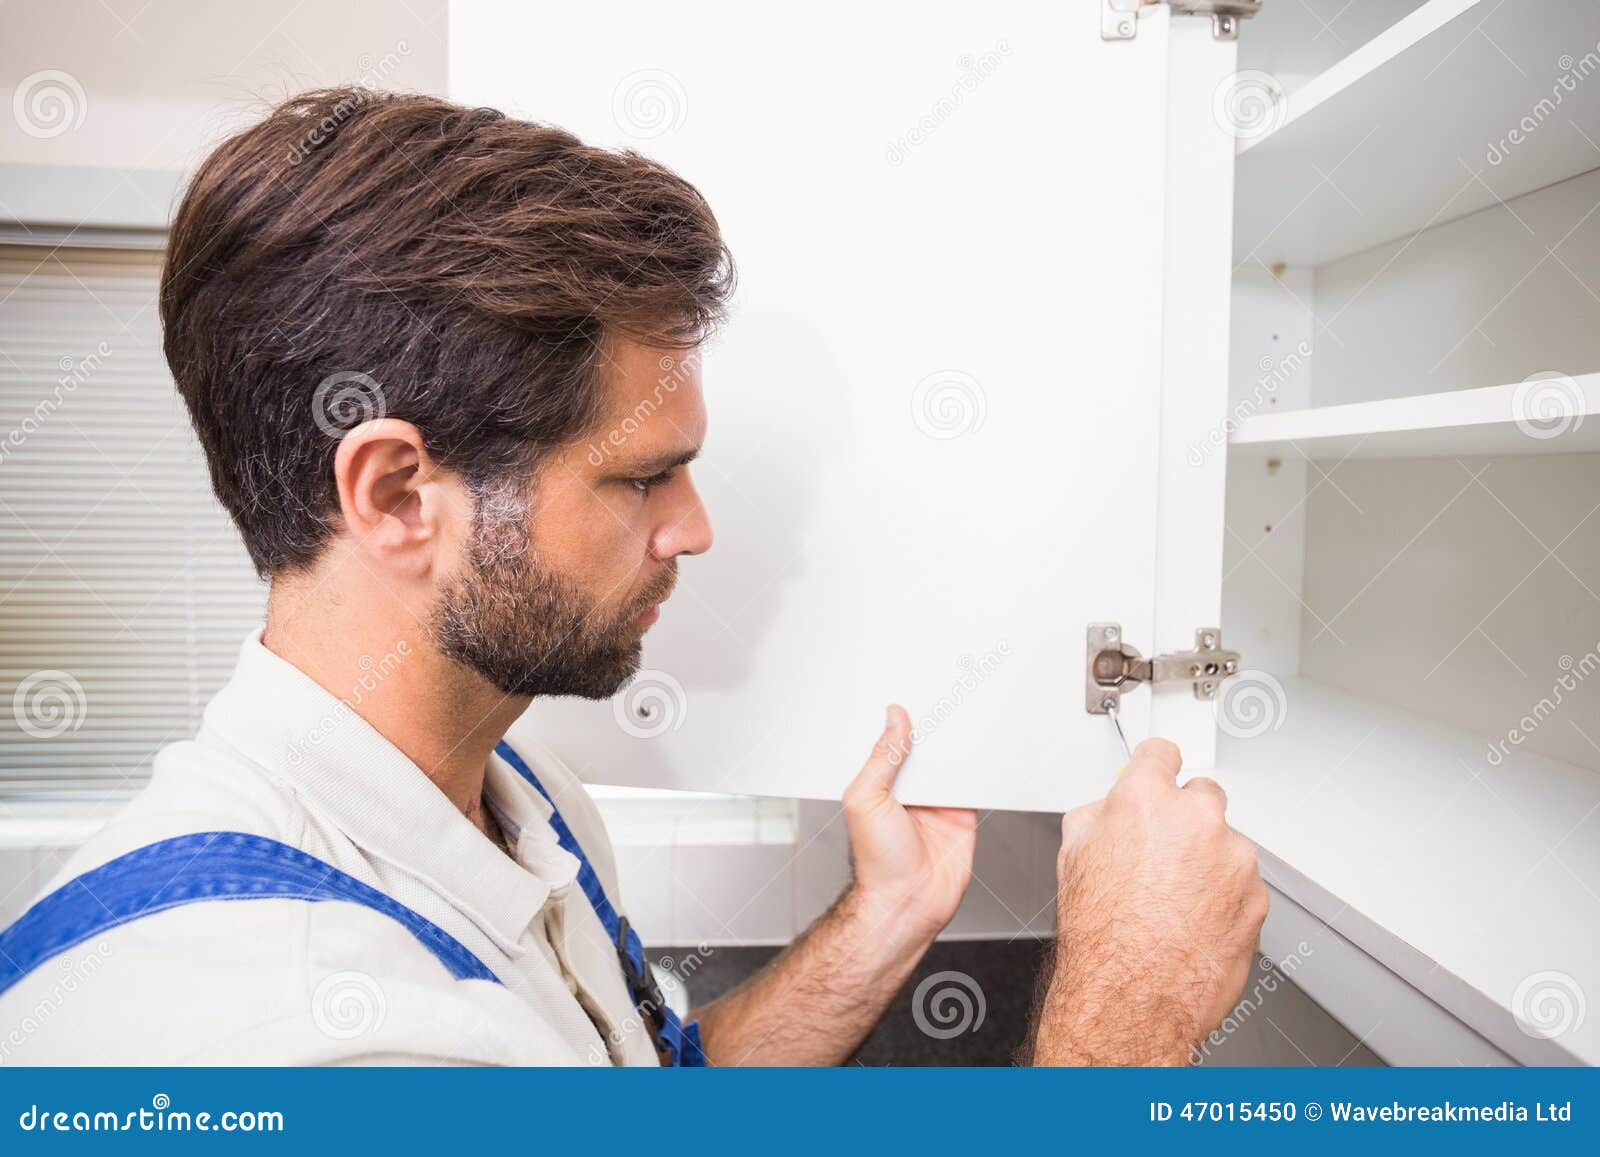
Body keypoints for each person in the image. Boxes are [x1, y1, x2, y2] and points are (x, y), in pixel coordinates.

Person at [0, 88, 1267, 1066]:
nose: (696, 527)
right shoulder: (280, 1026)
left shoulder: (523, 788)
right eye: (640, 477)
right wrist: (1124, 1012)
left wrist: (883, 916)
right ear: (393, 495)